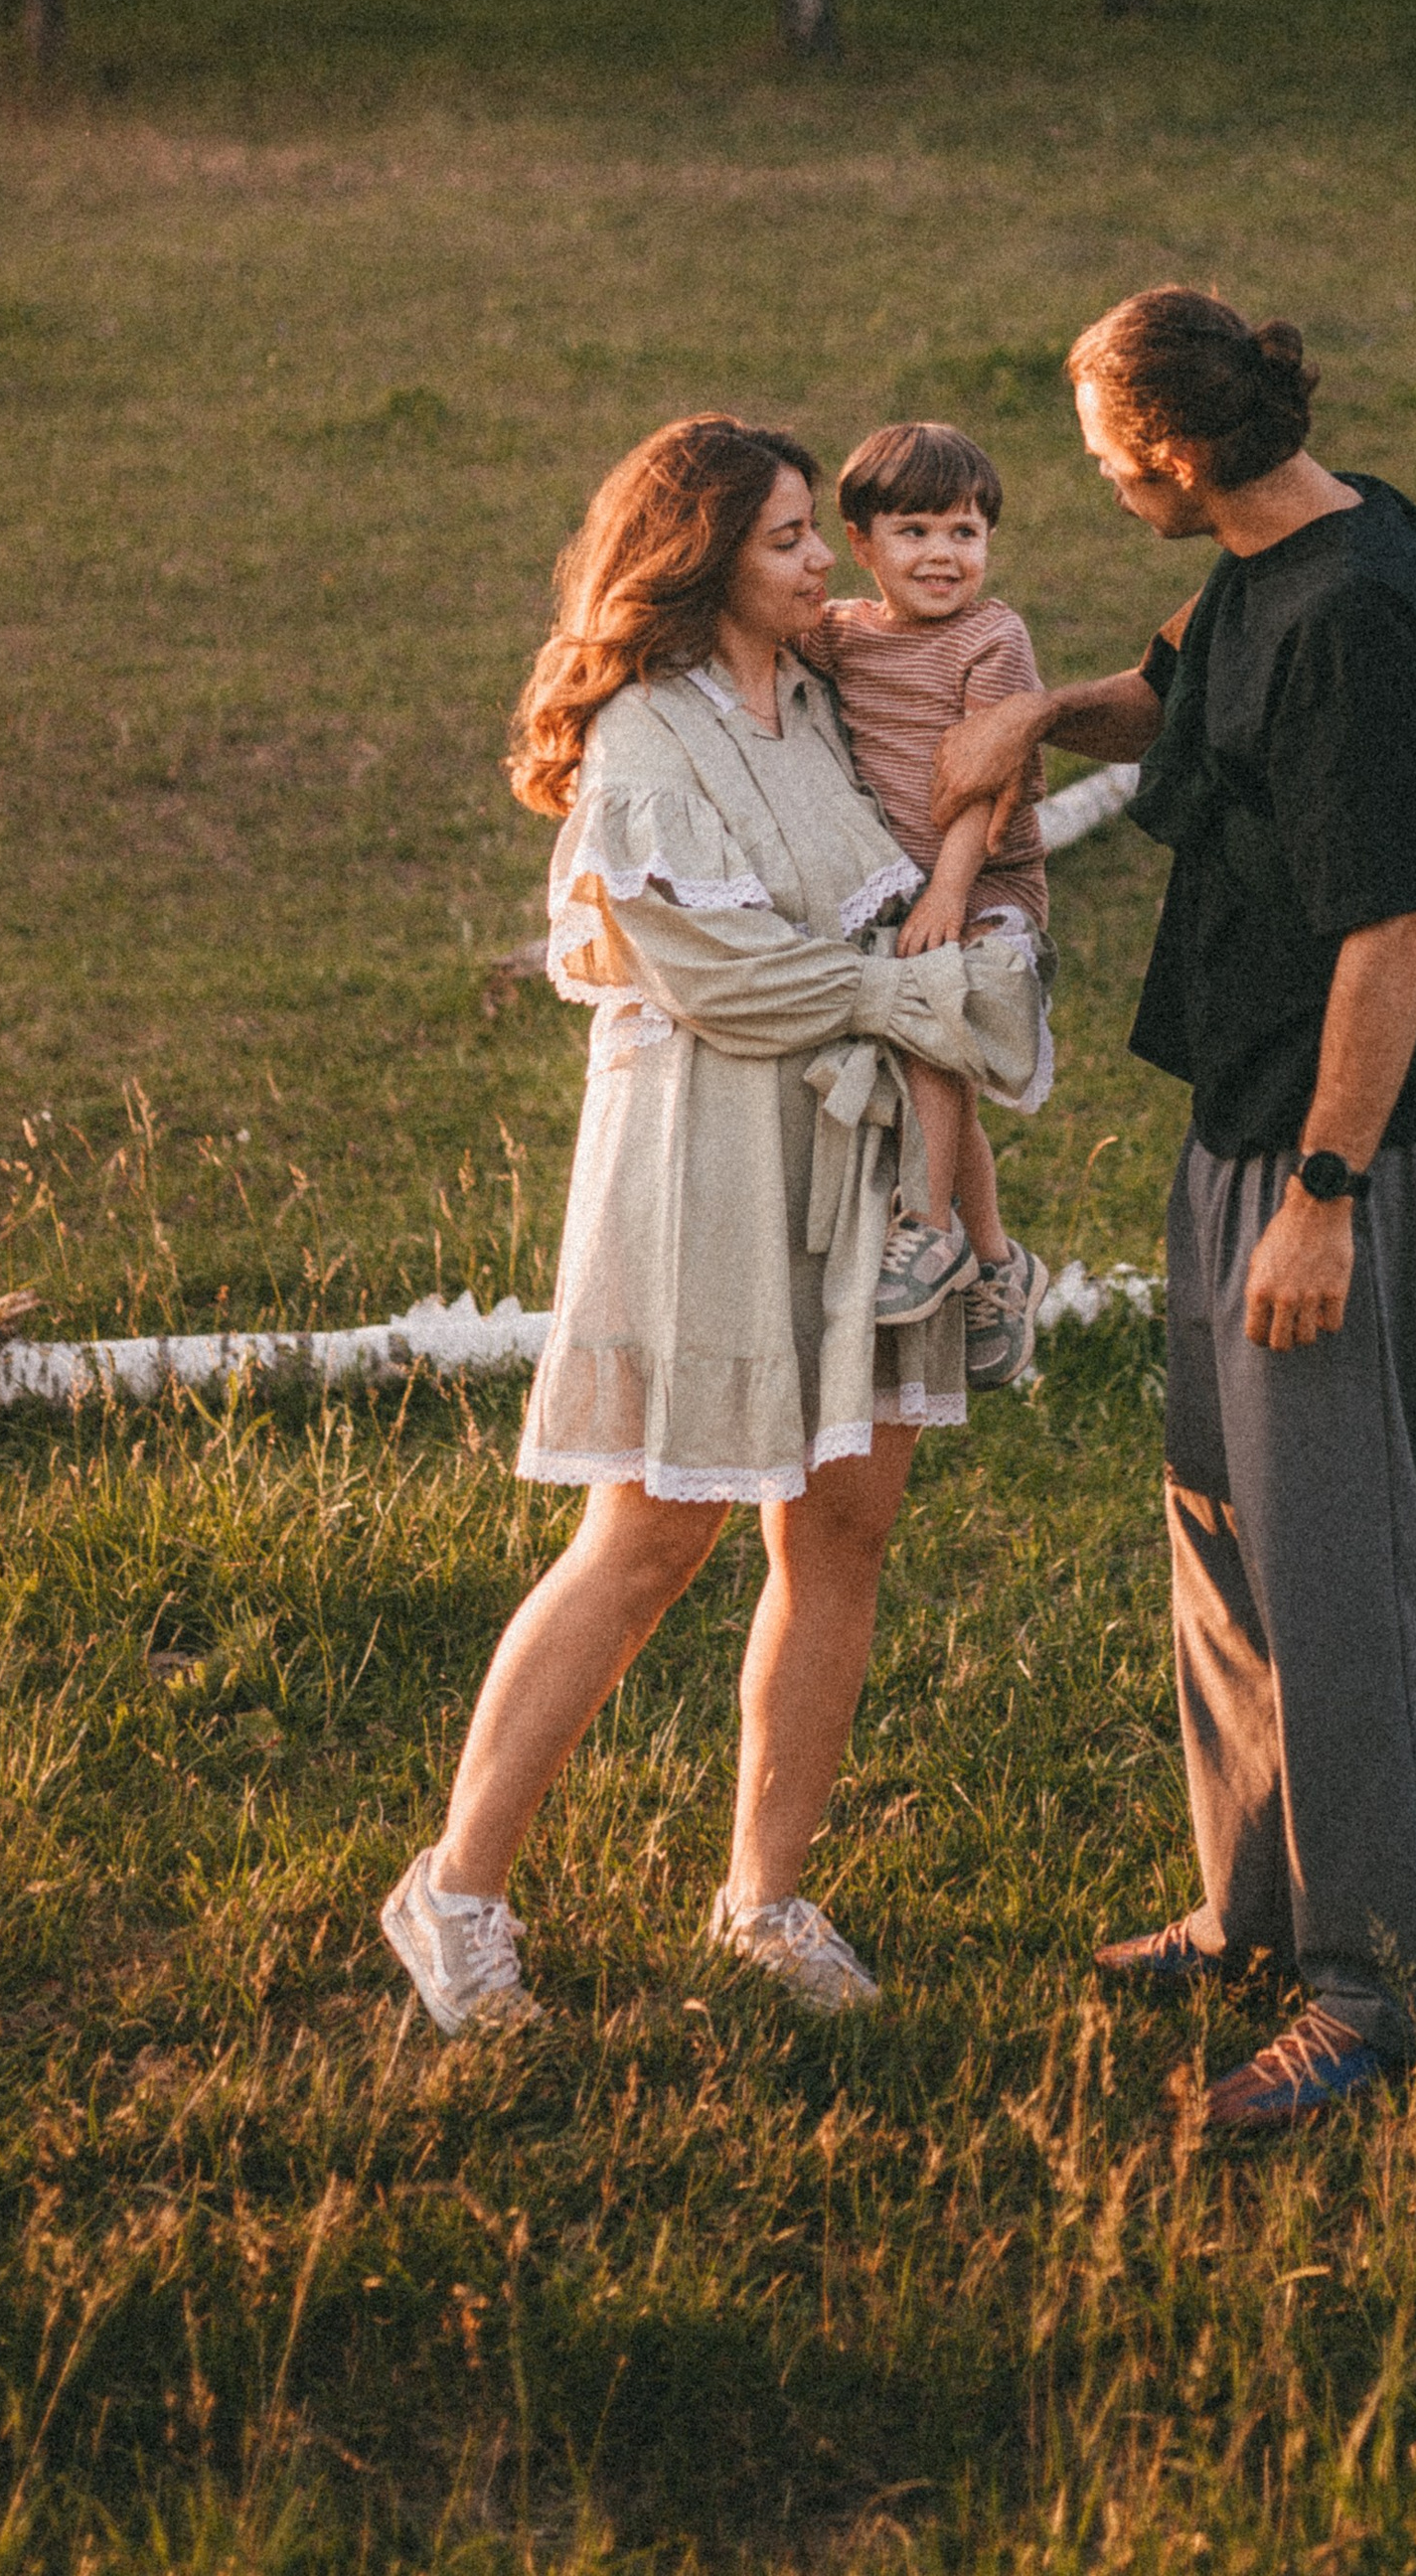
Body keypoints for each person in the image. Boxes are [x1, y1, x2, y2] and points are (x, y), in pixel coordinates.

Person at [931, 289, 1416, 2140]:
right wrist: (1033, 712)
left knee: (1341, 1565)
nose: (1094, 482)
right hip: (1245, 1118)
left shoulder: (1358, 614)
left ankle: (1380, 1988)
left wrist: (1326, 1199)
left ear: (1172, 458)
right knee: (1222, 1516)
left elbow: (1396, 924)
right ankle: (1254, 1902)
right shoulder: (1287, 543)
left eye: (1101, 456)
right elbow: (1181, 687)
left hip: (1344, 1147)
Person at [381, 415, 1044, 2035]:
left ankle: (766, 1892)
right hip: (707, 1166)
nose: (829, 563)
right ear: (701, 562)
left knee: (843, 1530)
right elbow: (722, 976)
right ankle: (457, 1887)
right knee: (651, 1534)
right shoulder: (646, 738)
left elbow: (958, 818)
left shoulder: (829, 695)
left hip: (866, 1160)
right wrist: (922, 993)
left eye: (822, 534)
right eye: (791, 541)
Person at [798, 419, 1052, 1387]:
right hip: (902, 888)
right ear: (859, 545)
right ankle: (998, 1266)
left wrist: (949, 891)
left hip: (983, 881)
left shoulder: (993, 637)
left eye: (964, 532)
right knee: (933, 1079)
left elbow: (989, 782)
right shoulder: (843, 635)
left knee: (934, 1023)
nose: (943, 555)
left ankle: (931, 1229)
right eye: (913, 532)